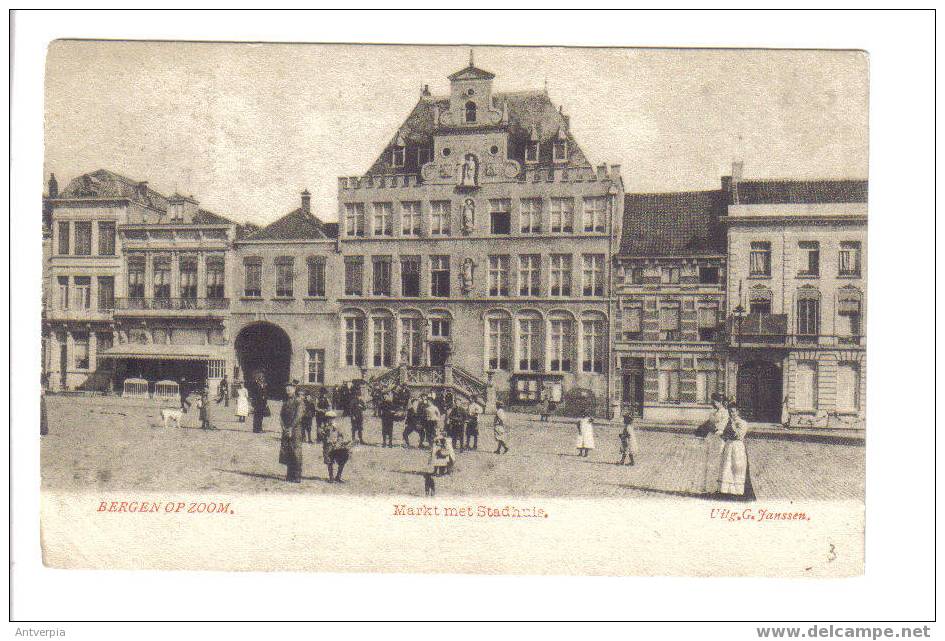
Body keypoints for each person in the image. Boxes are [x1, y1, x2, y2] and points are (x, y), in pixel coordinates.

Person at [719, 401, 755, 500]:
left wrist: (732, 427)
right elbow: (724, 435)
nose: (732, 414)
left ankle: (738, 491)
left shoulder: (742, 423)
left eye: (734, 412)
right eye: (730, 412)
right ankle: (727, 491)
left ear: (738, 412)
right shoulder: (728, 422)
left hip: (737, 447)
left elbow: (739, 435)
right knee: (727, 466)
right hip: (729, 445)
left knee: (737, 467)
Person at [698, 392, 728, 495]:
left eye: (718, 401)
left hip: (718, 439)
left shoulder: (725, 412)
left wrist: (717, 429)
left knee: (716, 462)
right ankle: (707, 487)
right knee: (708, 462)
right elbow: (709, 423)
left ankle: (715, 488)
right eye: (715, 401)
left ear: (722, 402)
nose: (716, 403)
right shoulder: (713, 411)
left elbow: (722, 426)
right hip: (710, 438)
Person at [279, 381, 305, 483]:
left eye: (289, 389)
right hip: (286, 430)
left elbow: (298, 416)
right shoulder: (285, 402)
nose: (288, 390)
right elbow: (281, 416)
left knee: (296, 452)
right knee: (287, 451)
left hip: (296, 430)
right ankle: (289, 475)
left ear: (294, 389)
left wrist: (291, 428)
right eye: (286, 389)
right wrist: (284, 428)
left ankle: (297, 475)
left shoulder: (299, 401)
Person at [323, 412, 352, 483]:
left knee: (344, 458)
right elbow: (322, 437)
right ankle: (331, 477)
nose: (331, 420)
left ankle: (338, 476)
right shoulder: (323, 427)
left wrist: (338, 443)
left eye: (332, 418)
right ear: (326, 419)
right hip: (328, 446)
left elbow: (341, 436)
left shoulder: (337, 426)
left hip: (337, 447)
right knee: (329, 461)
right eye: (329, 418)